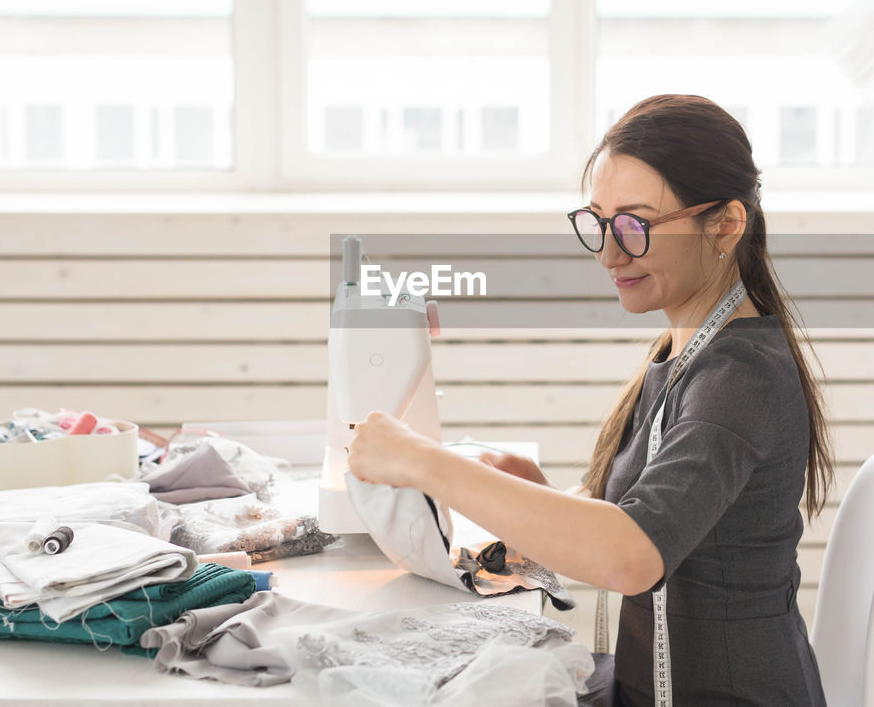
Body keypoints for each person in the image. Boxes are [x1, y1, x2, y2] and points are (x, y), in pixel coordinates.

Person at [347, 93, 833, 705]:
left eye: (635, 225)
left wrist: (422, 462)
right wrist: (541, 499)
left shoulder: (739, 377)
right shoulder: (685, 349)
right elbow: (636, 518)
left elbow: (631, 555)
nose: (608, 252)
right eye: (599, 222)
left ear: (726, 224)